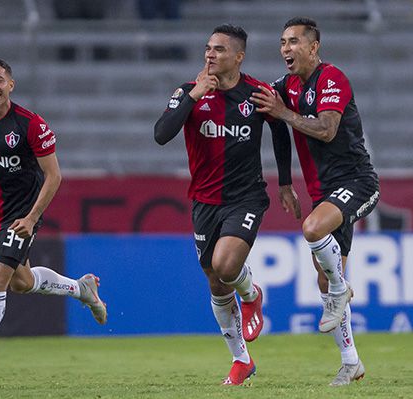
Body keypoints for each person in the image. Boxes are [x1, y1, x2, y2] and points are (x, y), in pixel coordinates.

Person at [0, 58, 107, 386]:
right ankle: (81, 289)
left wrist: (32, 218)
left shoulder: (29, 124)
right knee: (21, 281)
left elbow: (54, 175)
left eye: (0, 80)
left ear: (11, 85)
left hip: (21, 215)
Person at [154, 25, 299, 386]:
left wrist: (284, 182)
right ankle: (241, 360)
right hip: (204, 200)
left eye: (218, 50)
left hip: (246, 197)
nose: (209, 55)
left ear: (238, 56)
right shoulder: (188, 92)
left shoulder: (258, 93)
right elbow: (161, 134)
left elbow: (280, 131)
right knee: (216, 282)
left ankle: (251, 295)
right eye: (207, 48)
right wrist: (193, 96)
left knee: (225, 263)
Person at [251, 17, 380, 386]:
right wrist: (286, 184)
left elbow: (326, 129)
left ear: (313, 46)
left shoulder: (332, 78)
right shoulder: (286, 87)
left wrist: (284, 113)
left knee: (312, 229)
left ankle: (342, 290)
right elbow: (277, 127)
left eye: (293, 41)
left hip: (358, 181)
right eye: (281, 42)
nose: (285, 49)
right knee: (324, 280)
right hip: (322, 191)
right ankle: (351, 362)